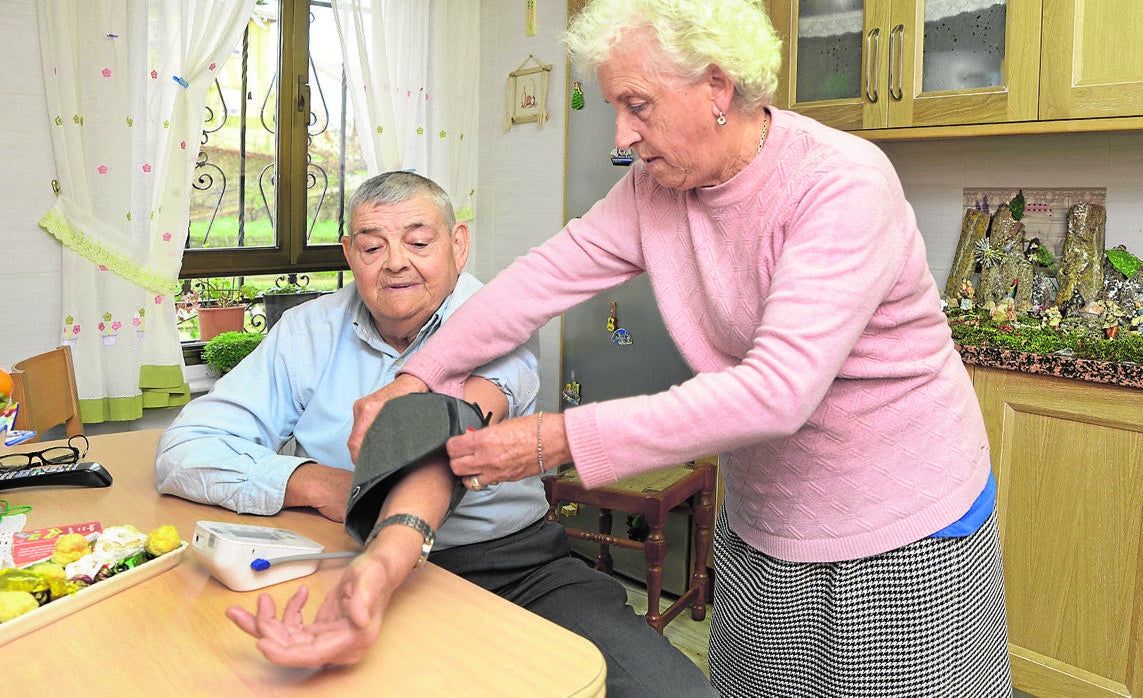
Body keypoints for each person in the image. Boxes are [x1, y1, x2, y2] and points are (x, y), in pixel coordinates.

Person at [347, 2, 1012, 696]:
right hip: (769, 510)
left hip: (899, 520)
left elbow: (775, 391)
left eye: (637, 106)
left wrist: (554, 439)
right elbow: (540, 279)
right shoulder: (652, 190)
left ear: (718, 88)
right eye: (613, 107)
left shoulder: (840, 183)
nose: (622, 134)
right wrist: (416, 375)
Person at [154, 171, 714, 696]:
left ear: (458, 244)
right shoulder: (307, 330)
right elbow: (184, 449)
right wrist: (316, 482)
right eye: (372, 248)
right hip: (342, 554)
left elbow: (449, 440)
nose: (395, 264)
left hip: (509, 566)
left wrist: (384, 549)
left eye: (419, 243)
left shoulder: (496, 315)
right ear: (350, 254)